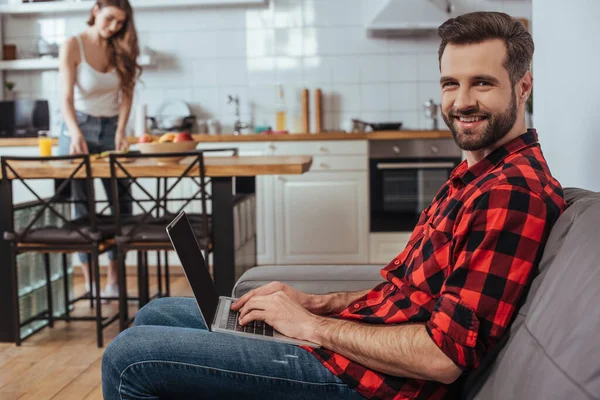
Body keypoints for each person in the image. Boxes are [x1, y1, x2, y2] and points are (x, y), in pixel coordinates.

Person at [102, 11, 566, 400]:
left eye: (482, 83)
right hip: (360, 346)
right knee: (158, 313)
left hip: (373, 381)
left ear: (523, 87)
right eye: (450, 83)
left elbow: (441, 357)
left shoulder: (510, 192)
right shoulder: (478, 173)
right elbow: (406, 296)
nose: (461, 102)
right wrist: (319, 303)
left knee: (128, 357)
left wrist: (309, 326)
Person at [58, 0, 141, 298]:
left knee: (122, 203)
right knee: (84, 207)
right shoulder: (73, 45)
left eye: (120, 22)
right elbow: (65, 98)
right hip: (78, 127)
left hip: (111, 130)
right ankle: (90, 281)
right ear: (95, 10)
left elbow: (127, 93)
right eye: (109, 19)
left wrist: (121, 129)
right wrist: (74, 133)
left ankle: (113, 281)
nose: (114, 27)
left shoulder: (123, 44)